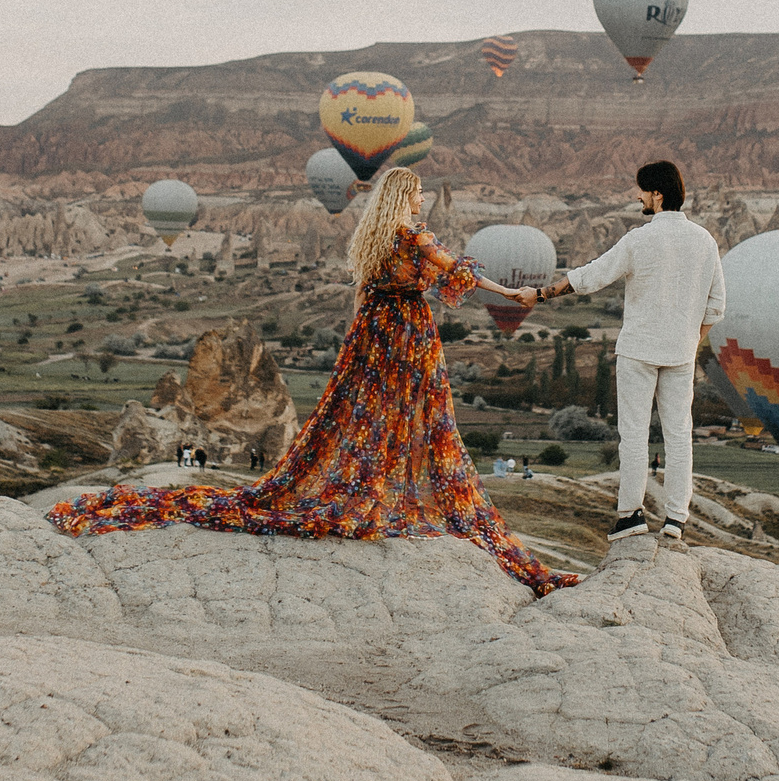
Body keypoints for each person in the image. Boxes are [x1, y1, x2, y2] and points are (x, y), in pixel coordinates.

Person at [47, 168, 574, 595]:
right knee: (415, 413)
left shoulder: (374, 237)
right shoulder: (414, 235)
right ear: (404, 195)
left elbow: (363, 294)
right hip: (408, 331)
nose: (421, 201)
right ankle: (383, 492)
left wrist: (357, 338)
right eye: (416, 194)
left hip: (373, 332)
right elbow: (458, 269)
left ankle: (370, 485)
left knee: (362, 414)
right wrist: (509, 292)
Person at [531, 160, 725, 545]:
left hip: (638, 350)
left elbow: (592, 276)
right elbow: (716, 307)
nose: (638, 197)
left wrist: (541, 294)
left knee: (634, 434)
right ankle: (676, 519)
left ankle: (631, 515)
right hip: (680, 353)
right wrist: (690, 342)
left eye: (642, 191)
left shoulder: (639, 240)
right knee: (679, 435)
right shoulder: (705, 240)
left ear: (657, 194)